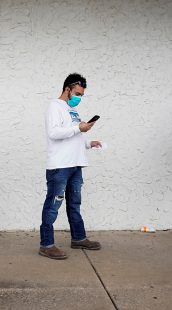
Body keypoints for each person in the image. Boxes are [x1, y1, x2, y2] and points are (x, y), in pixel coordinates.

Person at [39, 73, 102, 260]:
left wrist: (89, 142)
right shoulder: (54, 106)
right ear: (67, 89)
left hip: (76, 164)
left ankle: (78, 238)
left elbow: (74, 135)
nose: (79, 98)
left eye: (81, 95)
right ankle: (46, 244)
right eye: (77, 93)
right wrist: (78, 128)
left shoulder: (70, 110)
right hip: (60, 166)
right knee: (53, 205)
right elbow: (54, 133)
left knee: (75, 203)